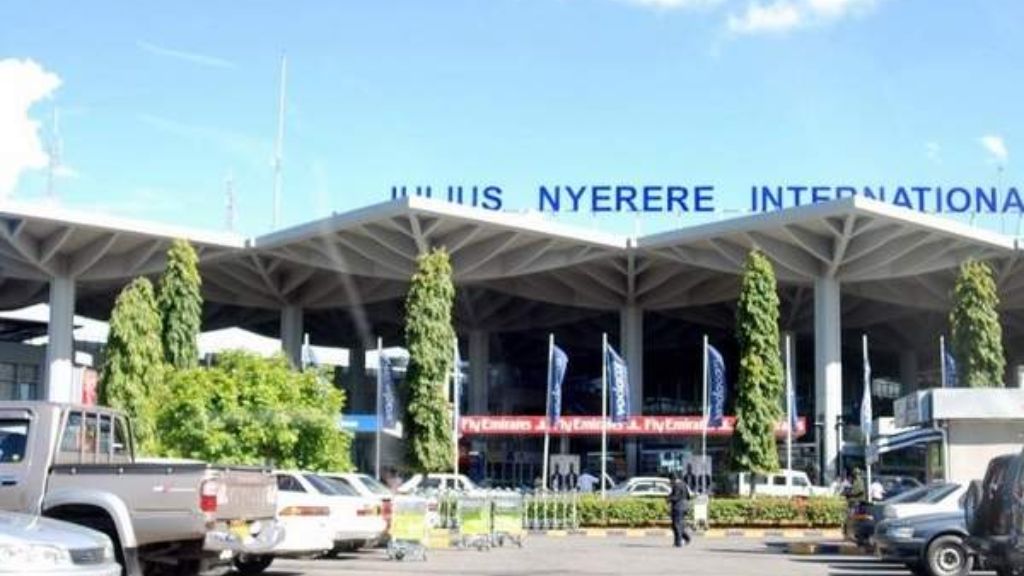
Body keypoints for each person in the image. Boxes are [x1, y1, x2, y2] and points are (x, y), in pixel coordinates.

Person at [666, 473, 692, 547]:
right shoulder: (684, 484)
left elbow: (676, 496)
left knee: (676, 525)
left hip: (678, 507)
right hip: (685, 506)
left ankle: (678, 542)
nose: (670, 482)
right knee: (679, 524)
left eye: (670, 480)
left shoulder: (676, 486)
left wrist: (668, 499)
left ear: (673, 479)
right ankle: (686, 538)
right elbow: (688, 496)